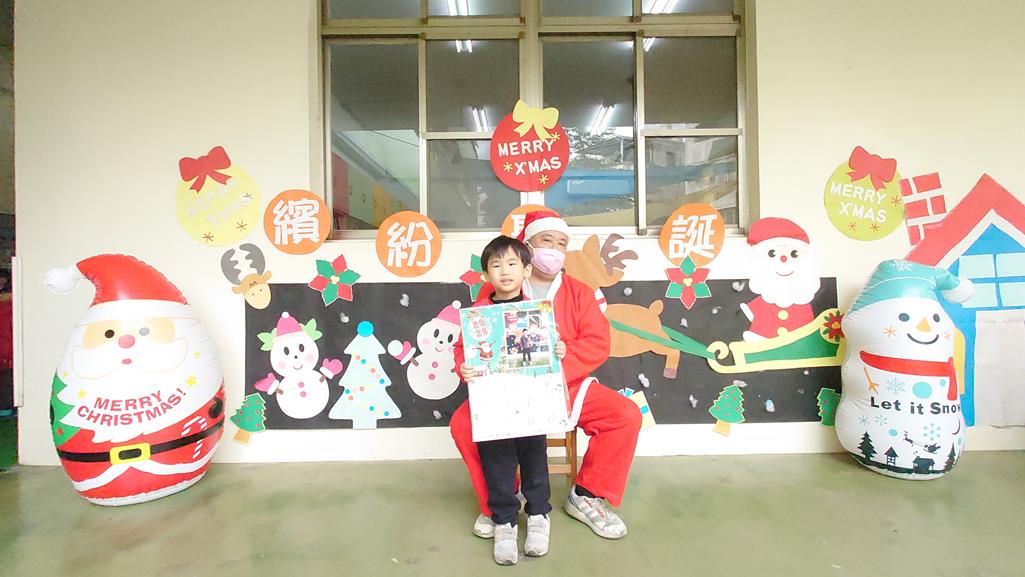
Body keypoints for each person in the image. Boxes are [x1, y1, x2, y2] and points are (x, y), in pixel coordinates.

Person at [451, 209, 642, 542]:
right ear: (527, 247)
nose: (554, 249)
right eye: (546, 241)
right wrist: (464, 367)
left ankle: (586, 494)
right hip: (507, 389)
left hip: (567, 384)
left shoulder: (580, 292)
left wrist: (556, 366)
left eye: (561, 243)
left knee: (624, 415)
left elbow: (598, 343)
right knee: (462, 425)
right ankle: (501, 499)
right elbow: (470, 341)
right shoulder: (498, 289)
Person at [457, 235, 566, 565]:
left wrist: (558, 349)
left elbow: (551, 349)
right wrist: (463, 366)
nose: (504, 271)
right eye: (496, 265)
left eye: (512, 263)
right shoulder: (477, 315)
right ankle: (504, 521)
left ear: (526, 270)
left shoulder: (537, 312)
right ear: (486, 274)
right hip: (492, 405)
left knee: (534, 458)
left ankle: (538, 514)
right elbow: (462, 351)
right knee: (497, 462)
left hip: (531, 402)